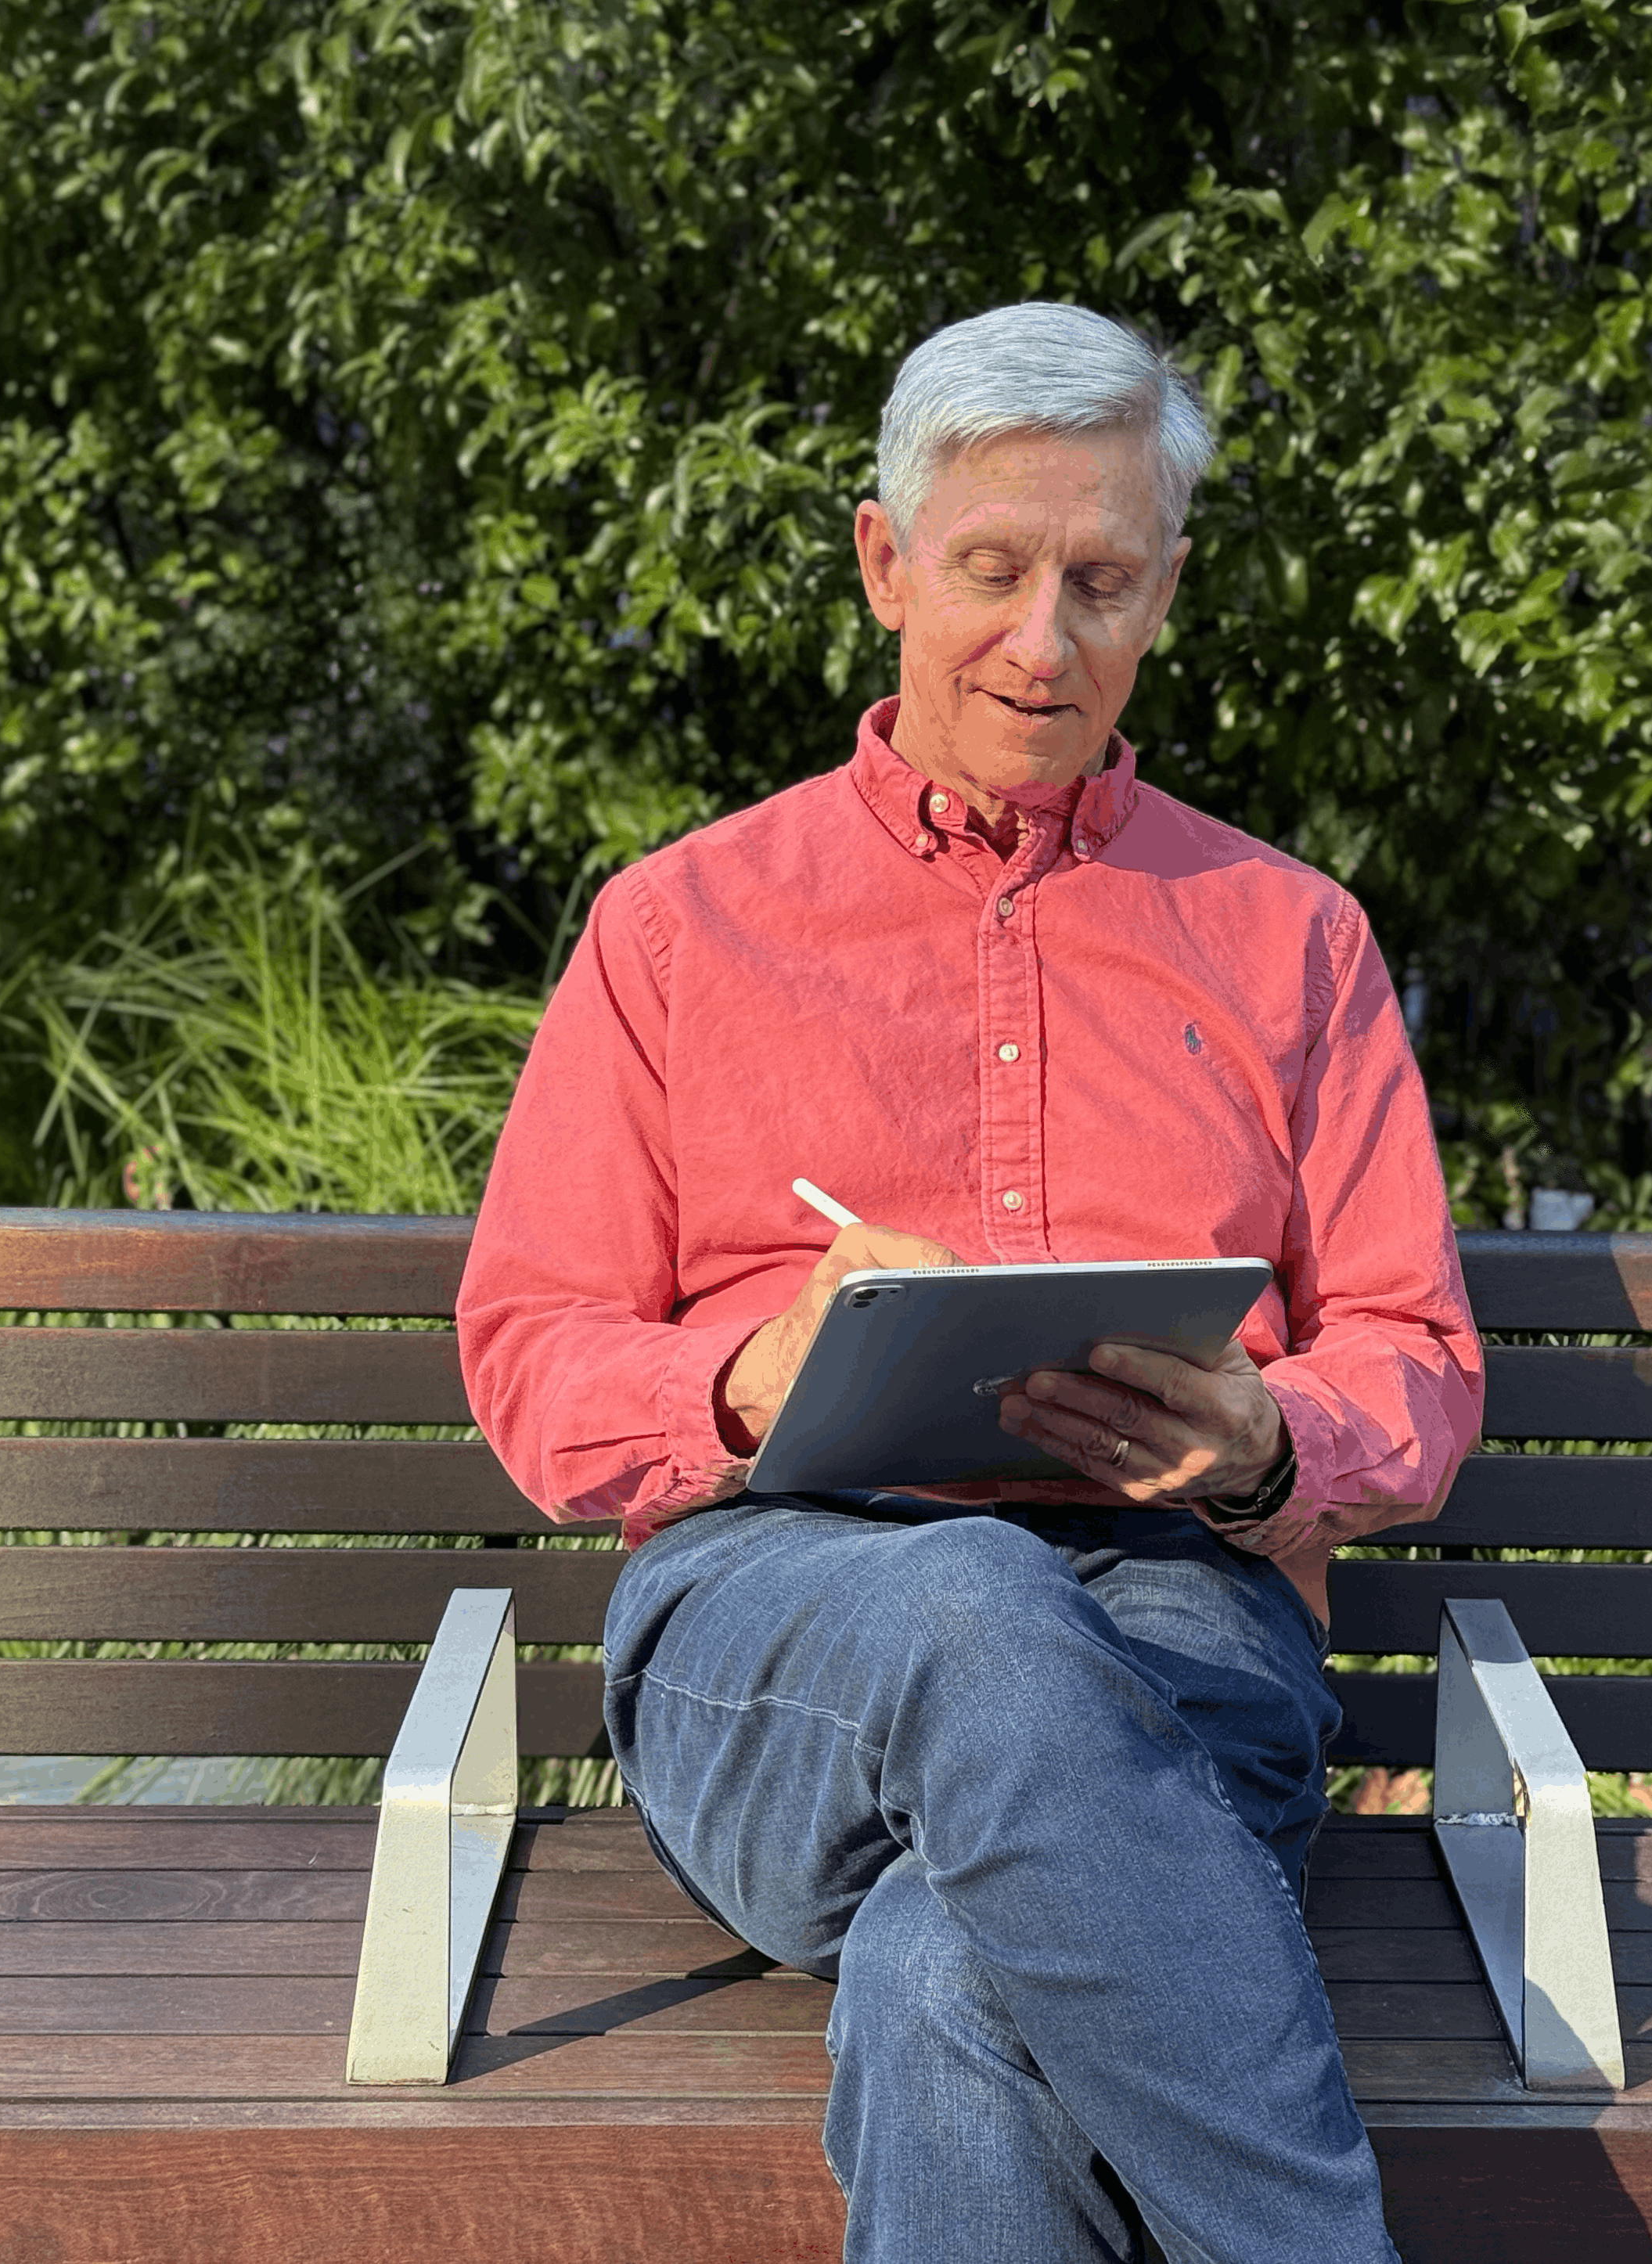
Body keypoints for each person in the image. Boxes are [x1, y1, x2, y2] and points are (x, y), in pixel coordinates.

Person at [456, 302, 1482, 2264]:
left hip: (1185, 1634)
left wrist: (1272, 1447)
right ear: (884, 564)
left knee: (951, 1984)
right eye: (994, 571)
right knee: (975, 1593)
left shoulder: (1291, 941)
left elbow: (1418, 1359)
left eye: (1102, 581)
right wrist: (755, 1378)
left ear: (1167, 594)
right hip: (775, 1634)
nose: (1045, 638)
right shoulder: (677, 930)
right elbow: (531, 1351)